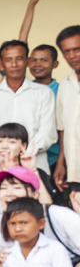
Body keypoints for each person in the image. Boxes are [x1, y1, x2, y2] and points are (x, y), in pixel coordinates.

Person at [0, 40, 57, 173]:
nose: (14, 64)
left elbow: (47, 133)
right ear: (1, 64)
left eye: (19, 59)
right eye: (8, 60)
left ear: (27, 61)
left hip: (35, 166)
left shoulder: (44, 93)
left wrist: (24, 153)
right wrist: (6, 156)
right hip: (1, 167)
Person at [54, 25, 80, 190]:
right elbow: (62, 128)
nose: (72, 56)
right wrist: (61, 163)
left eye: (77, 49)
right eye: (66, 51)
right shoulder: (65, 84)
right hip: (75, 172)